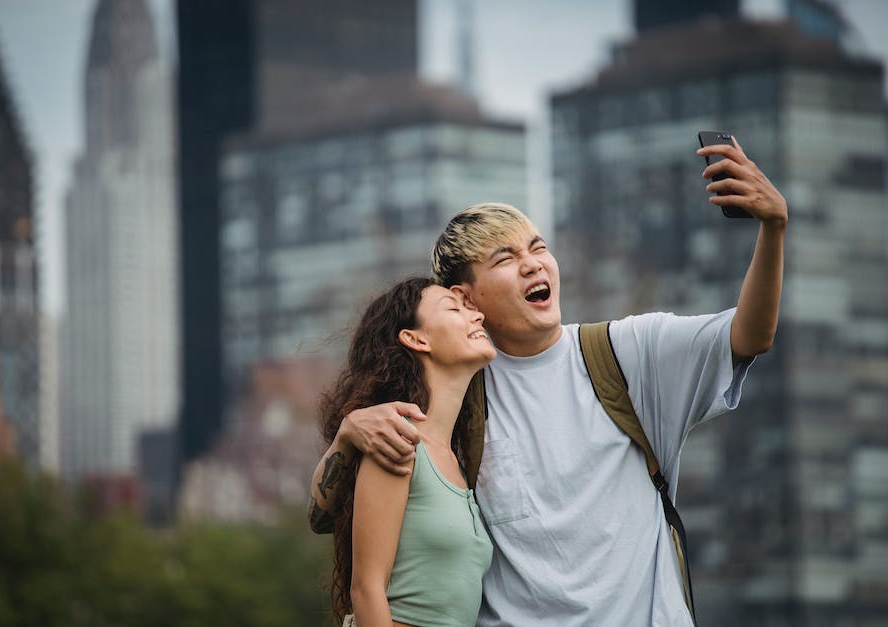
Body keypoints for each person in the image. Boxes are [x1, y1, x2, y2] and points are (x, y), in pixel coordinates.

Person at [309, 138, 787, 625]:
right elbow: (328, 517)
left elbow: (749, 335)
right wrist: (350, 433)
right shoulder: (457, 399)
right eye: (505, 259)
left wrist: (772, 228)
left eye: (539, 248)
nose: (534, 263)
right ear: (464, 298)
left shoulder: (626, 355)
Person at [316, 277, 496, 626]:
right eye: (453, 309)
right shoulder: (398, 443)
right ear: (416, 338)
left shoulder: (457, 460)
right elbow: (367, 590)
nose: (478, 318)